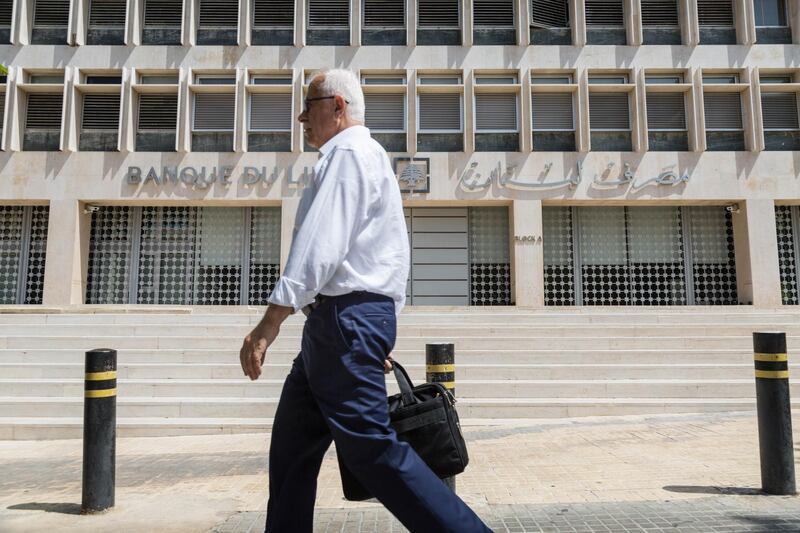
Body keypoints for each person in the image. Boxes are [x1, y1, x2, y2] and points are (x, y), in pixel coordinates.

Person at [238, 68, 492, 533]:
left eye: (308, 105)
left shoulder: (350, 153)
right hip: (338, 324)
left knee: (372, 449)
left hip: (342, 321)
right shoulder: (361, 156)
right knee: (292, 448)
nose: (300, 118)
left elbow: (319, 247)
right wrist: (374, 326)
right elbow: (388, 254)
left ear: (337, 106)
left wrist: (269, 323)